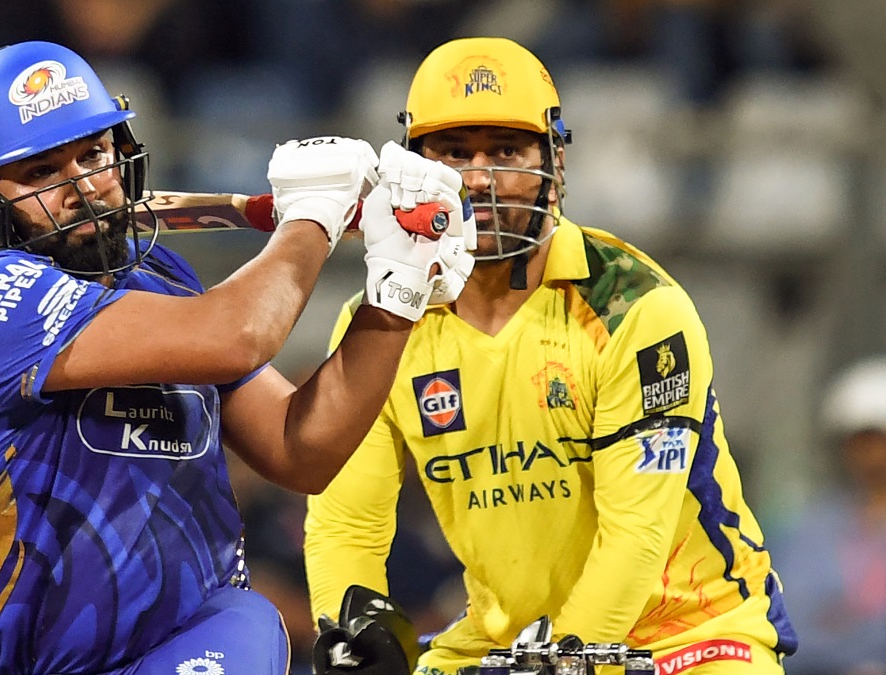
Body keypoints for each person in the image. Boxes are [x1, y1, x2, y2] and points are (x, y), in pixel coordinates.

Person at [0, 40, 471, 675]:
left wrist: (395, 295)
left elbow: (300, 450)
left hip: (186, 642)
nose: (84, 188)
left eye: (93, 155)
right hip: (30, 664)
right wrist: (314, 215)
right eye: (41, 173)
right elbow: (239, 335)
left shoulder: (161, 278)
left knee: (247, 618)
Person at [303, 37, 798, 675]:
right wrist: (352, 635)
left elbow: (636, 535)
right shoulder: (381, 322)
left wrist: (560, 658)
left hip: (690, 636)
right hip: (506, 644)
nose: (478, 178)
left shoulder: (634, 308)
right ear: (414, 167)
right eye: (454, 152)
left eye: (506, 151)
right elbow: (347, 523)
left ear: (554, 162)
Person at [773, 357, 886, 675]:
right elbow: (790, 626)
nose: (873, 456)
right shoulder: (809, 529)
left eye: (880, 441)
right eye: (861, 442)